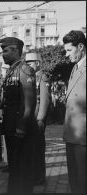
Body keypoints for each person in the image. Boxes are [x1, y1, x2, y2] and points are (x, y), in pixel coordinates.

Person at [0, 37, 37, 194]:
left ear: (15, 50)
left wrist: (21, 126)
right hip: (10, 126)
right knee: (14, 166)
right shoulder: (12, 70)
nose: (2, 54)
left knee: (22, 167)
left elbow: (29, 103)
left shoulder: (25, 70)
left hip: (20, 128)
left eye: (5, 51)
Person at [62, 30, 86, 194]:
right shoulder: (75, 68)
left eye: (69, 50)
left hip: (83, 136)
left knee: (83, 182)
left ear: (81, 46)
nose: (66, 54)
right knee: (74, 180)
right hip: (71, 134)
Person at [25, 52, 52, 185]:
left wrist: (40, 119)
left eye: (30, 63)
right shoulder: (33, 77)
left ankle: (39, 177)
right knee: (32, 147)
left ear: (37, 63)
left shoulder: (43, 77)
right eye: (27, 63)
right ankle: (34, 174)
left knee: (38, 148)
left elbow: (45, 100)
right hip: (32, 118)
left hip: (37, 118)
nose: (28, 65)